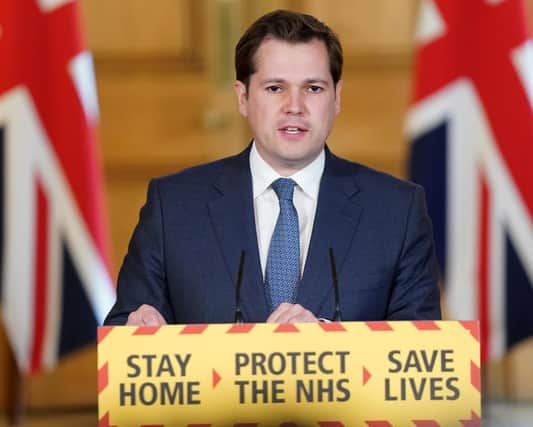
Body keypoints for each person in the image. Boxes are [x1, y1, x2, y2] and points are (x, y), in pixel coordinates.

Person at [105, 9, 441, 326]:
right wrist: (137, 336)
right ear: (243, 97)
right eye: (275, 88)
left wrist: (330, 344)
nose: (294, 107)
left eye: (313, 88)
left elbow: (423, 360)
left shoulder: (397, 212)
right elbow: (123, 341)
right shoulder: (173, 207)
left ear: (336, 97)